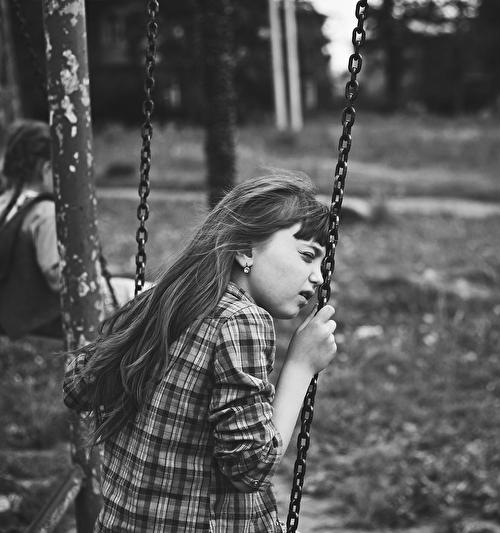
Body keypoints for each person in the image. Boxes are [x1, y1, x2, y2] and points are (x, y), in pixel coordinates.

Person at [63, 172, 338, 532]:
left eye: (322, 264)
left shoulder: (163, 300)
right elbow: (251, 467)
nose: (318, 277)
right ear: (246, 249)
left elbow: (78, 388)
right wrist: (301, 366)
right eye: (307, 256)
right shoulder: (243, 320)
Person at [0, 119, 135, 340]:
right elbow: (57, 279)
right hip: (72, 307)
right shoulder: (43, 212)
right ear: (47, 169)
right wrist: (89, 269)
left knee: (136, 284)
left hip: (21, 308)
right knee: (151, 295)